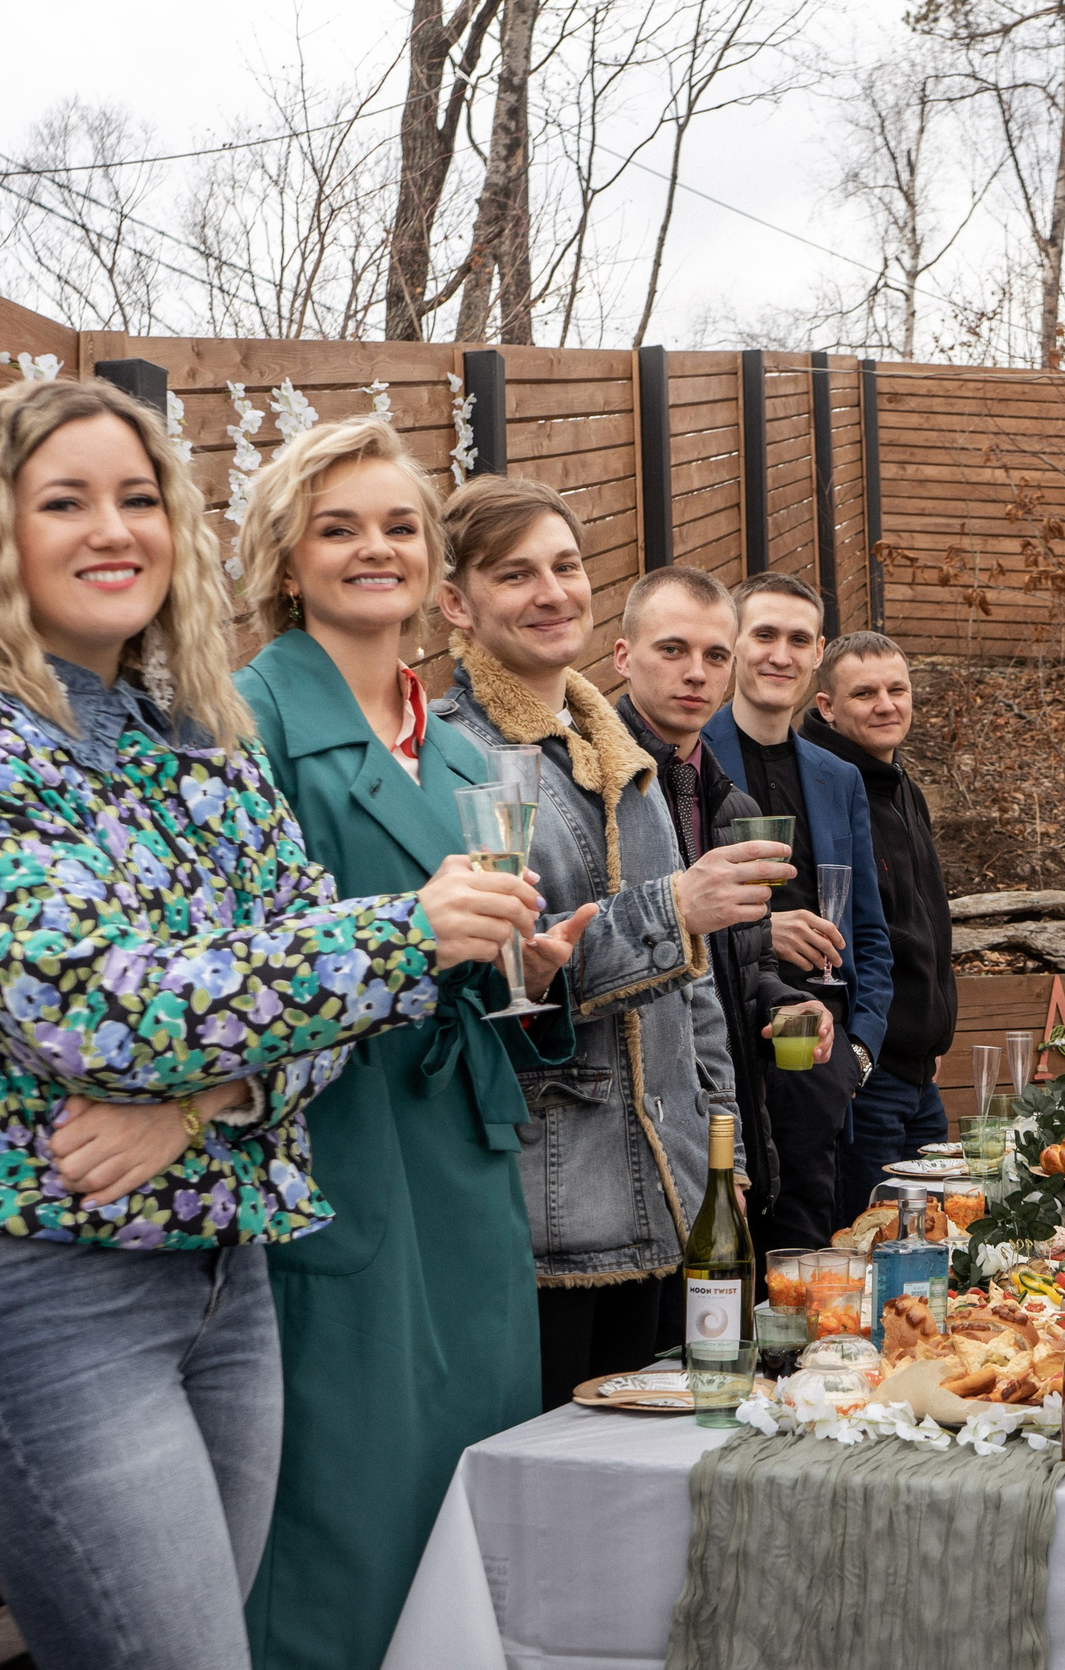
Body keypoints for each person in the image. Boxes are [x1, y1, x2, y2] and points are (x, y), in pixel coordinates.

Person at [0, 379, 545, 1670]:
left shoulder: (197, 748)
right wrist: (398, 936)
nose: (115, 529)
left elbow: (309, 1017)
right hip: (37, 1283)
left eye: (139, 495)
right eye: (65, 500)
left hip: (226, 1276)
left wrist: (214, 1099)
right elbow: (105, 1010)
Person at [227, 419, 598, 1665]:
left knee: (466, 1481)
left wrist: (518, 968)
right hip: (338, 1152)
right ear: (286, 559)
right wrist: (411, 937)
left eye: (398, 526)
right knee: (346, 1498)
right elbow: (228, 956)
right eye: (339, 527)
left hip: (463, 1157)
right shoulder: (244, 721)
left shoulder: (446, 741)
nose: (373, 549)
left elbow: (462, 942)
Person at [428, 476, 786, 1406]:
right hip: (555, 1214)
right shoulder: (454, 760)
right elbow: (496, 988)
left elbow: (696, 999)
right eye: (516, 574)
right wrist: (673, 909)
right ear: (456, 604)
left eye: (567, 565)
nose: (553, 592)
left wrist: (728, 1168)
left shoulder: (615, 755)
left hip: (673, 1204)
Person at [611, 565, 837, 1241]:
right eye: (672, 650)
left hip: (726, 1140)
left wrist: (783, 1001)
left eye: (715, 656)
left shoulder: (732, 804)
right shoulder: (594, 786)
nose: (697, 674)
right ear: (623, 656)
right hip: (627, 1157)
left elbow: (739, 965)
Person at [699, 572, 895, 1250]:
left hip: (817, 1065)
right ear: (734, 643)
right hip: (725, 1061)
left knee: (809, 1272)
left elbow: (870, 928)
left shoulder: (837, 776)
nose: (780, 653)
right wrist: (764, 930)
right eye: (764, 634)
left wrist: (859, 1053)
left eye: (798, 639)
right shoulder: (691, 757)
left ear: (817, 655)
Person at [801, 631, 960, 1219]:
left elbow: (925, 922)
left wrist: (931, 1032)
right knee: (874, 1252)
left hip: (920, 1076)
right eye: (864, 694)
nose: (886, 705)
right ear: (827, 707)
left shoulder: (901, 786)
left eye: (898, 690)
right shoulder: (827, 788)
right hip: (868, 1078)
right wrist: (874, 1044)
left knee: (936, 1246)